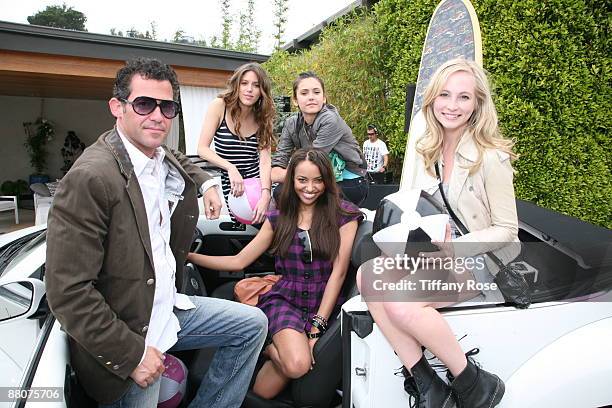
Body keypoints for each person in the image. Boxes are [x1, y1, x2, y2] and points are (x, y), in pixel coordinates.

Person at [45, 58, 268, 408]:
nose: (157, 115)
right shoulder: (91, 178)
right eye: (144, 104)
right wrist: (132, 354)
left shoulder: (156, 154)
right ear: (117, 107)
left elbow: (178, 155)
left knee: (252, 325)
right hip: (131, 330)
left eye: (167, 107)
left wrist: (208, 181)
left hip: (166, 310)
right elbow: (67, 292)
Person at [358, 58, 518, 408]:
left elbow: (508, 231)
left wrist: (455, 249)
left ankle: (473, 381)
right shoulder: (427, 150)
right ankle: (426, 383)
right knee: (366, 275)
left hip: (480, 262)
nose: (452, 105)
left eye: (464, 97)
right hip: (435, 258)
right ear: (432, 99)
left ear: (477, 104)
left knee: (400, 300)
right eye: (445, 94)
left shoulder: (492, 157)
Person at [188, 148, 363, 399]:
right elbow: (239, 261)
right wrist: (190, 256)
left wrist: (316, 327)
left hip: (323, 303)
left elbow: (339, 273)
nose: (310, 188)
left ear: (327, 180)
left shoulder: (344, 216)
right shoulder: (280, 215)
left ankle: (268, 349)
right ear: (291, 180)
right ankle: (270, 348)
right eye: (302, 180)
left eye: (318, 180)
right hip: (286, 300)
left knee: (263, 392)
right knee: (297, 364)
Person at [271, 71, 369, 206]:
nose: (311, 97)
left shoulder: (330, 120)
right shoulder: (291, 123)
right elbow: (279, 160)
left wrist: (285, 175)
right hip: (313, 179)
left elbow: (313, 159)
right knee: (280, 193)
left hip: (349, 181)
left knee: (317, 202)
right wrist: (277, 172)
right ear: (295, 100)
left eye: (316, 92)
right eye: (304, 93)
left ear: (324, 98)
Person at [197, 62, 275, 224]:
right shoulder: (220, 106)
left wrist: (266, 193)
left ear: (262, 91)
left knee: (273, 226)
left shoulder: (263, 115)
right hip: (233, 184)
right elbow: (202, 149)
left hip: (258, 183)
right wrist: (231, 167)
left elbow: (265, 160)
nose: (249, 89)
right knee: (249, 226)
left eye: (256, 85)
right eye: (244, 83)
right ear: (236, 85)